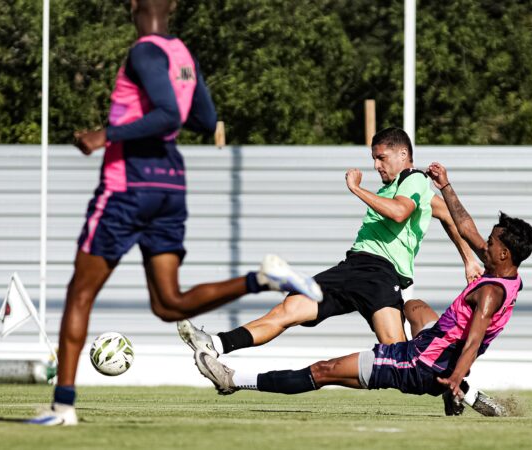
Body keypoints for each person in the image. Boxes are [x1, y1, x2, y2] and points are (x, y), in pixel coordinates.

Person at [28, 0, 321, 426]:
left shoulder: (144, 51)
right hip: (170, 185)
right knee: (169, 304)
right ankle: (263, 279)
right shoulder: (182, 55)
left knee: (80, 293)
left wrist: (104, 134)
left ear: (134, 5)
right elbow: (205, 118)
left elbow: (168, 114)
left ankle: (63, 406)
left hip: (129, 184)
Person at [192, 161, 532, 417]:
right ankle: (459, 386)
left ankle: (233, 379)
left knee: (323, 370)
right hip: (435, 350)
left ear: (503, 253)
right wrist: (446, 186)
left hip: (416, 363)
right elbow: (464, 226)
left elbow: (473, 342)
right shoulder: (508, 276)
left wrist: (456, 379)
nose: (484, 244)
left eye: (491, 242)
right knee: (414, 306)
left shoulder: (489, 293)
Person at [178, 127, 482, 361]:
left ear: (403, 154)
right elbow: (447, 216)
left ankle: (458, 385)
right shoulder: (403, 190)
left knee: (398, 357)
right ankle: (216, 344)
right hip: (354, 268)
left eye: (381, 157)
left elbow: (400, 213)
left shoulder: (413, 178)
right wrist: (468, 260)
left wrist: (356, 189)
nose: (376, 165)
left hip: (378, 273)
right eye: (374, 159)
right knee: (290, 309)